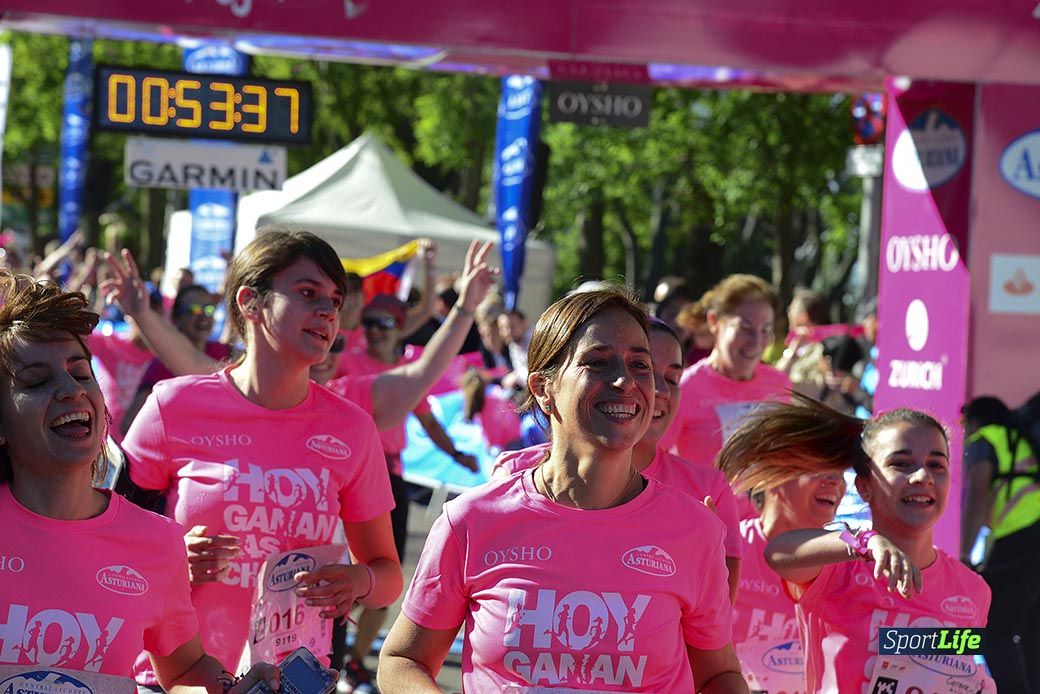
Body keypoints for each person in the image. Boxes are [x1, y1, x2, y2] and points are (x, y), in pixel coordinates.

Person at [378, 290, 745, 692]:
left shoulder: (694, 530)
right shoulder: (471, 520)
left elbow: (720, 675)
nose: (626, 382)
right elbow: (403, 660)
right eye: (598, 363)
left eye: (640, 365)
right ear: (542, 388)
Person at [113, 230, 405, 686]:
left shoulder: (352, 429)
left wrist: (357, 581)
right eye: (308, 293)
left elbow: (388, 575)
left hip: (292, 681)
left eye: (334, 299)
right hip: (179, 679)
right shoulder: (173, 407)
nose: (328, 311)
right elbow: (104, 543)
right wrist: (169, 558)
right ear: (251, 302)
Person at [0, 271, 280, 692]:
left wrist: (233, 688)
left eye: (81, 374)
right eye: (37, 381)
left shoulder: (157, 541)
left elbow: (185, 669)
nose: (71, 391)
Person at [718, 394, 994, 693]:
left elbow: (943, 666)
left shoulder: (973, 590)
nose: (922, 476)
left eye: (936, 465)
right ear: (864, 486)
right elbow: (779, 552)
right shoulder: (838, 569)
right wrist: (865, 542)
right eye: (901, 463)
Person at [491, 317, 745, 600]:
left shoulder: (707, 492)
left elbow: (716, 618)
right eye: (602, 364)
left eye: (672, 378)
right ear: (544, 387)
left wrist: (700, 556)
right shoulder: (515, 475)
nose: (655, 389)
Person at [720, 455, 846, 690]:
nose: (834, 481)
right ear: (772, 477)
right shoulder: (725, 549)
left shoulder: (849, 565)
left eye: (840, 474)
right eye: (818, 467)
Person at [659, 274, 790, 479]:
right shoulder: (685, 387)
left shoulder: (779, 384)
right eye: (745, 328)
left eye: (765, 330)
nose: (756, 341)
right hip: (703, 510)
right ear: (714, 322)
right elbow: (656, 462)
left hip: (764, 512)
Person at [960, 395, 1040, 692]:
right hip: (1030, 538)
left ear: (976, 420)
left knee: (994, 632)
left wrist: (965, 553)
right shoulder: (1023, 440)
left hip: (1021, 539)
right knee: (1033, 633)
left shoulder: (986, 439)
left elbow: (978, 492)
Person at [121, 284, 231, 432]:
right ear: (176, 319)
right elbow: (128, 425)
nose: (203, 316)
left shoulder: (225, 352)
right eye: (194, 310)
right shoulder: (161, 365)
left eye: (209, 309)